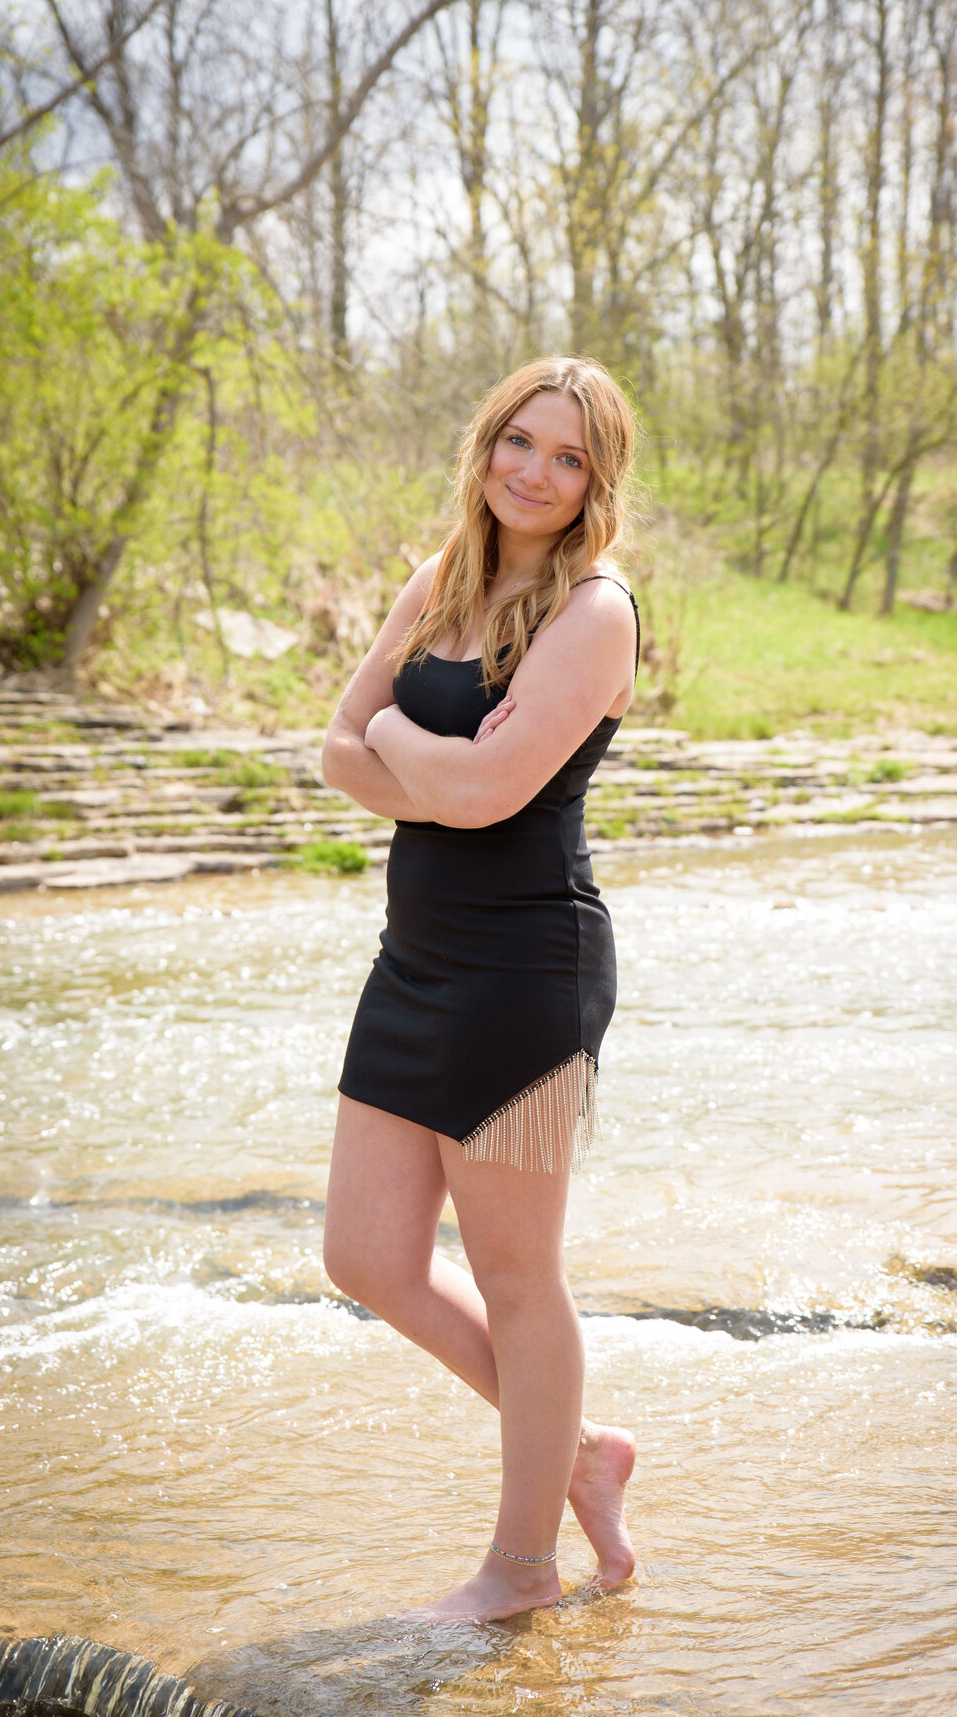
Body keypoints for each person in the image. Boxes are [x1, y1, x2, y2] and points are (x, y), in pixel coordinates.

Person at [320, 356, 640, 1624]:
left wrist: (406, 742)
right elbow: (334, 754)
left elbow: (478, 793)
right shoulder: (444, 577)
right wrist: (423, 758)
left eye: (569, 458)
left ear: (595, 481)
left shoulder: (596, 611)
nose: (537, 473)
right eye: (522, 441)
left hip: (525, 971)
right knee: (366, 1257)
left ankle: (521, 1568)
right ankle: (578, 1454)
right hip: (416, 959)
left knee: (519, 1275)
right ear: (487, 442)